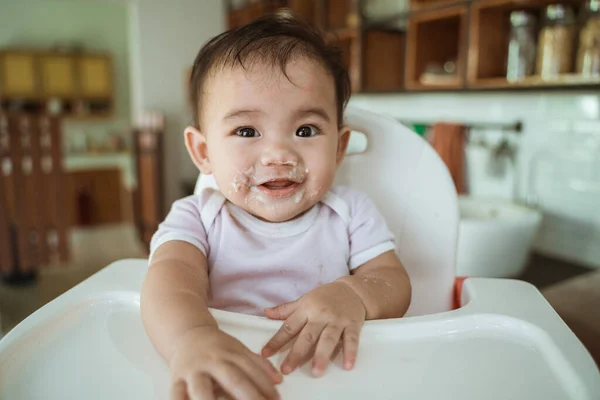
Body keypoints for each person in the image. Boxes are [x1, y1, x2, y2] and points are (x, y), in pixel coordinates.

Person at [141, 14, 411, 400]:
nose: (279, 154)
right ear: (203, 152)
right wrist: (190, 339)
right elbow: (168, 283)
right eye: (247, 131)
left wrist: (353, 294)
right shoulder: (197, 218)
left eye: (305, 131)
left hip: (333, 378)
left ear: (338, 147)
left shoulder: (351, 213)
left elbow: (393, 281)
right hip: (227, 375)